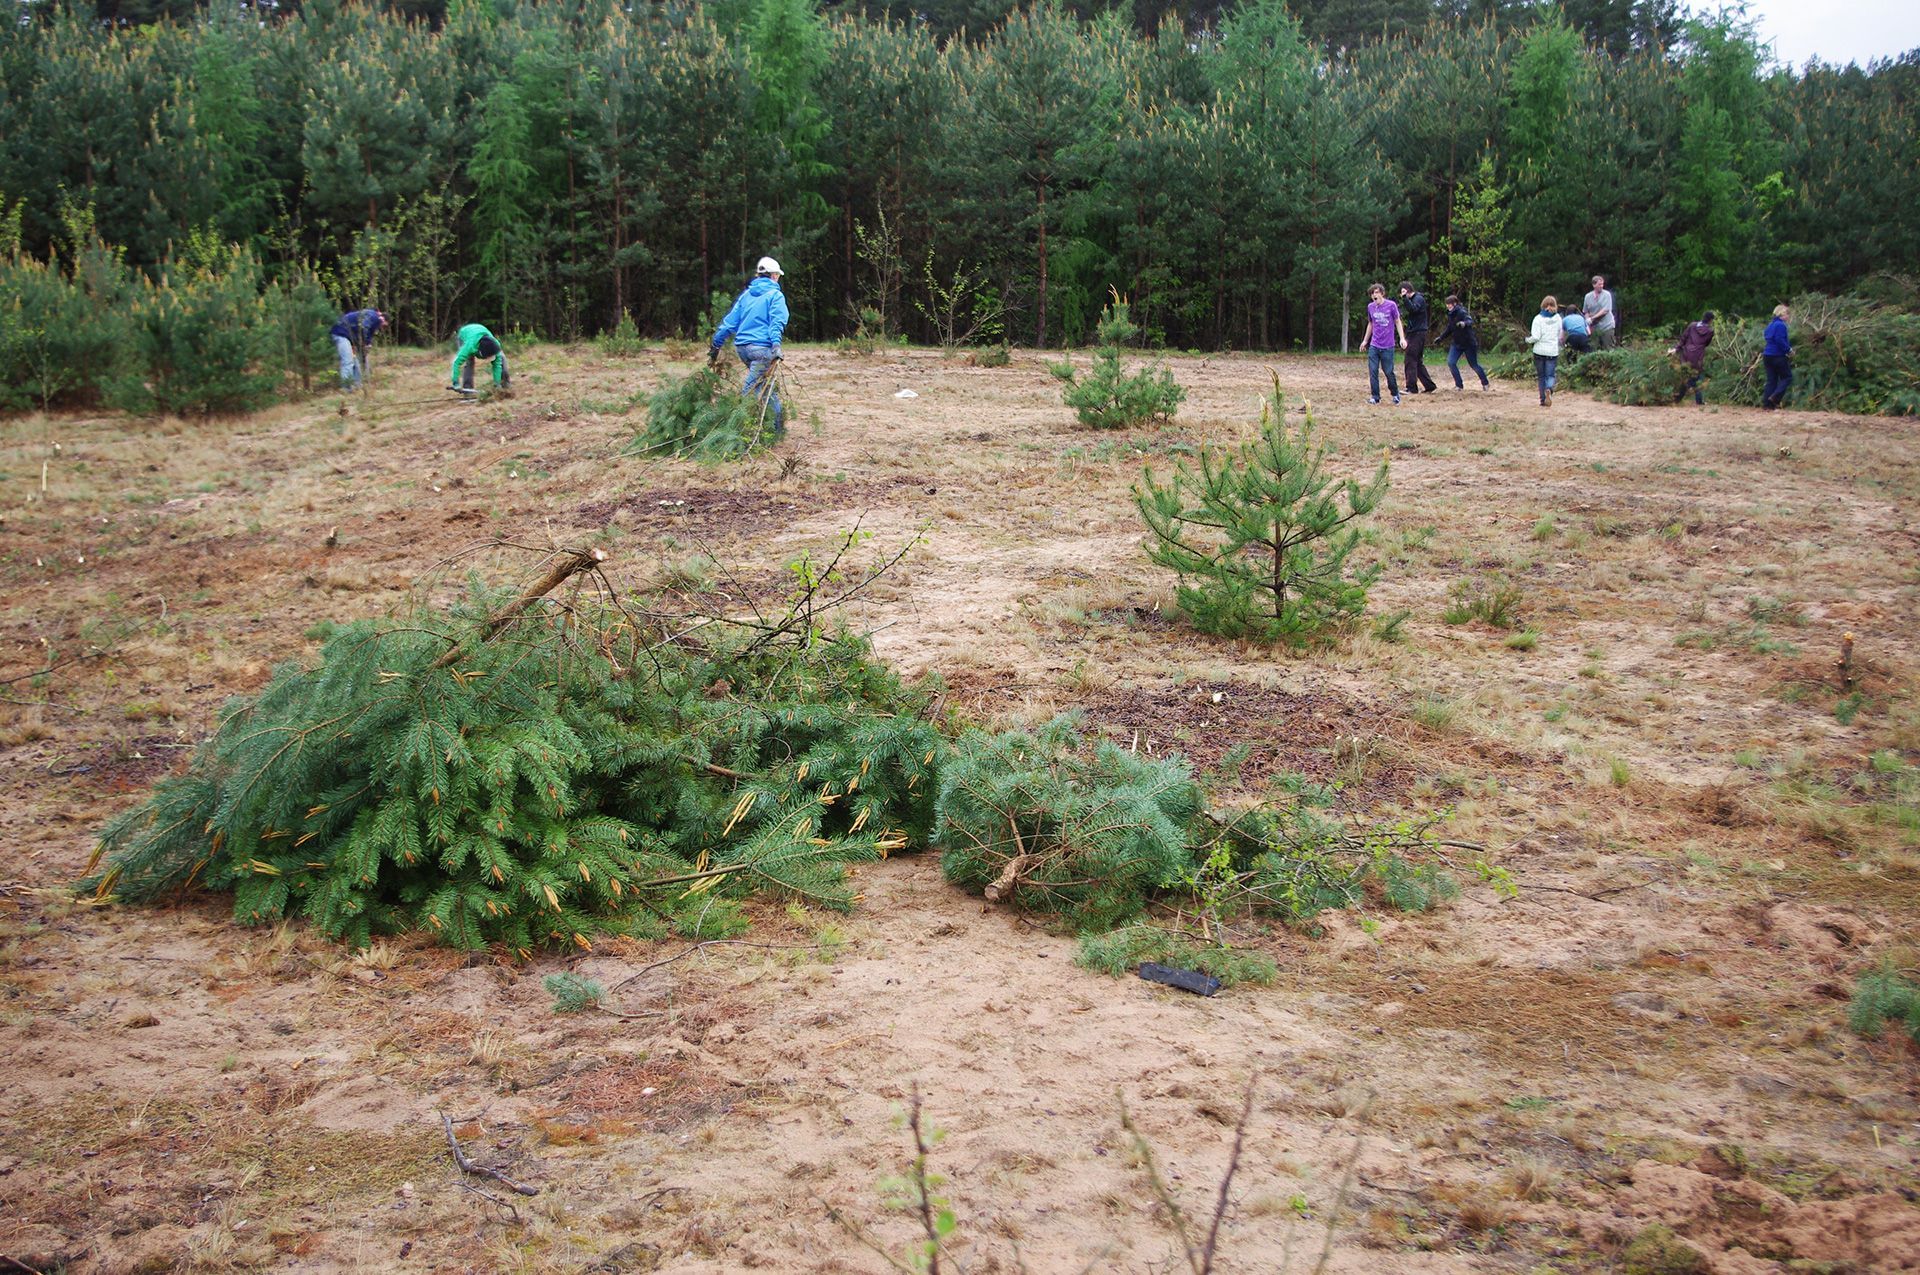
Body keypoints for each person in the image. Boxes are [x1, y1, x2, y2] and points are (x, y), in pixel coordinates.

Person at [710, 256, 790, 436]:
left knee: (765, 387)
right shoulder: (775, 295)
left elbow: (730, 323)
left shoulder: (746, 296)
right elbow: (776, 322)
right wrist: (776, 345)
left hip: (743, 349)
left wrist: (716, 344)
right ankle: (743, 431)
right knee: (751, 391)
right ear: (774, 276)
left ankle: (777, 430)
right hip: (762, 351)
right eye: (777, 275)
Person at [1360, 282, 1404, 405]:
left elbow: (1397, 321)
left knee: (1388, 371)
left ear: (1382, 294)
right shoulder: (1370, 307)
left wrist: (1402, 338)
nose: (1374, 295)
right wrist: (1365, 340)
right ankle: (1375, 396)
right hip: (1374, 345)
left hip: (1388, 346)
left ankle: (1395, 394)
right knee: (1373, 371)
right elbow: (1371, 323)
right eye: (1372, 294)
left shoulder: (1391, 305)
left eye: (1377, 292)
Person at [1437, 294, 1490, 391]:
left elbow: (1469, 320)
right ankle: (1459, 385)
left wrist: (1464, 323)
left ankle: (1485, 383)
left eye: (1450, 304)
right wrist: (1441, 338)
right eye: (1447, 304)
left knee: (1474, 365)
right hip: (1456, 343)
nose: (1448, 306)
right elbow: (1449, 328)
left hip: (1469, 343)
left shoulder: (1461, 312)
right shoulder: (1450, 314)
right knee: (1451, 362)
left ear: (1455, 303)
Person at [329, 308, 387, 390]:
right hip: (340, 333)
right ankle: (346, 388)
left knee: (355, 361)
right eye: (383, 325)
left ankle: (357, 385)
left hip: (349, 337)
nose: (382, 328)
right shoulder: (373, 315)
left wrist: (367, 344)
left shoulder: (373, 319)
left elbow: (367, 332)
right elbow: (364, 327)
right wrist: (365, 343)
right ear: (382, 317)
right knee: (347, 361)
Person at [1397, 281, 1437, 394]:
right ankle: (1429, 385)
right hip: (1415, 332)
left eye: (1402, 293)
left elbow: (1413, 309)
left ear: (1406, 290)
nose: (1401, 296)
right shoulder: (1414, 299)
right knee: (1417, 361)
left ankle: (1411, 387)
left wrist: (1405, 298)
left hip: (1417, 333)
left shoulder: (1418, 299)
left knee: (1410, 359)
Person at [450, 323, 509, 393]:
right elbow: (456, 363)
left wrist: (497, 384)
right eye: (488, 357)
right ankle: (467, 388)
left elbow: (497, 366)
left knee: (501, 359)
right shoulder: (469, 347)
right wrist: (455, 382)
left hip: (480, 330)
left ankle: (505, 384)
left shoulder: (495, 347)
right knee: (469, 362)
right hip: (465, 334)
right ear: (481, 353)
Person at [1672, 310, 1715, 405]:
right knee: (1697, 377)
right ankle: (1684, 398)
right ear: (1710, 320)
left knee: (1688, 375)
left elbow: (1683, 338)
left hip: (1686, 354)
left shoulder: (1692, 326)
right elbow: (1706, 343)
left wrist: (1676, 348)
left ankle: (1679, 398)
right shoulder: (1710, 331)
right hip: (1698, 356)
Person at [1530, 295, 1563, 407]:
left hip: (1539, 351)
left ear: (1542, 305)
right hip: (1552, 351)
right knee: (1550, 375)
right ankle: (1549, 388)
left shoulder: (1538, 319)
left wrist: (1527, 340)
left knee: (1541, 376)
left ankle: (1543, 400)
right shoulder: (1558, 318)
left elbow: (1536, 337)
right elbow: (1559, 334)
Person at [1762, 303, 1793, 410]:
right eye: (1787, 314)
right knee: (1787, 377)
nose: (1788, 316)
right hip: (1777, 355)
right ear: (1782, 314)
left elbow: (1766, 336)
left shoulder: (1770, 325)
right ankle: (1775, 397)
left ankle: (1767, 404)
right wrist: (1789, 350)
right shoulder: (1780, 325)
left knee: (1771, 380)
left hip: (1767, 355)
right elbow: (1780, 340)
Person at [1582, 275, 1618, 349]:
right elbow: (1586, 311)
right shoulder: (1588, 296)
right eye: (1599, 284)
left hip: (1607, 326)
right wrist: (1587, 319)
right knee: (1592, 349)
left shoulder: (1607, 295)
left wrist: (1592, 318)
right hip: (1594, 328)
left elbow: (1605, 311)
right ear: (1594, 285)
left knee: (1608, 349)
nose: (1601, 286)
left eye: (1602, 284)